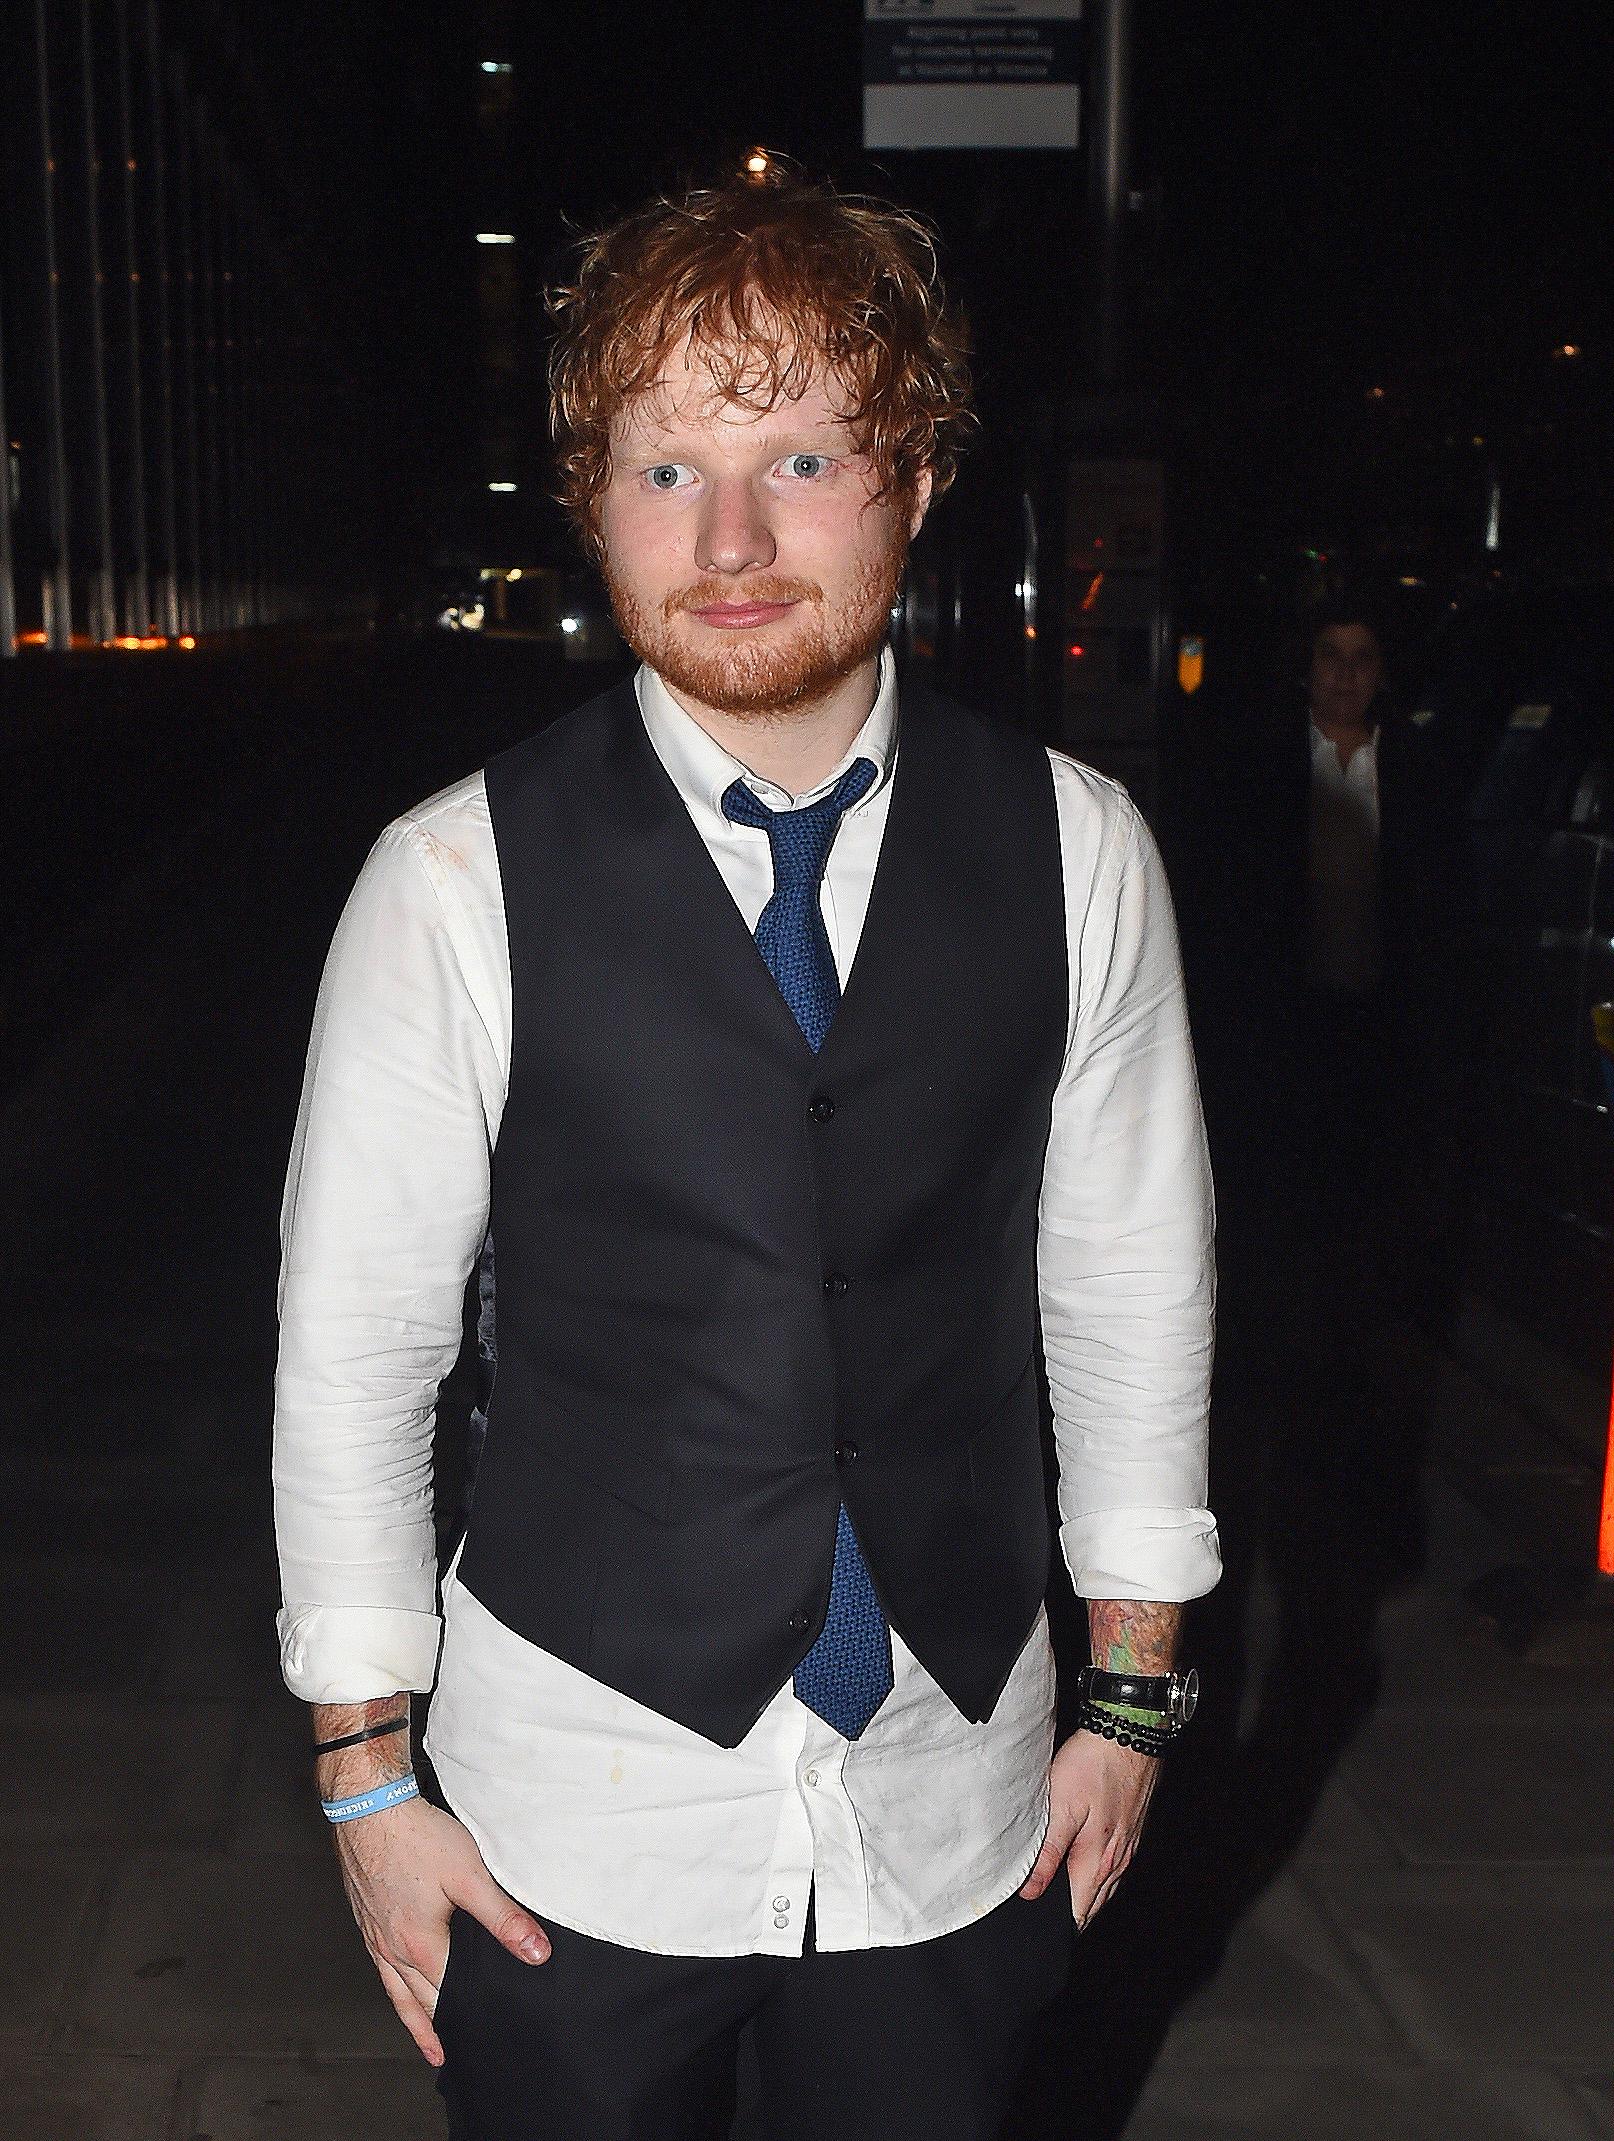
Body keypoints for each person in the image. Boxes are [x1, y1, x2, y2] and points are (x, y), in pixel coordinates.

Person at [272, 161, 1218, 2141]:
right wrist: (369, 1778)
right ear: (590, 502)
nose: (730, 538)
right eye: (661, 467)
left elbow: (1129, 1288)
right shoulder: (452, 882)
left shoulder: (1078, 855)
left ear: (919, 473)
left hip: (959, 1800)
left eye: (799, 453)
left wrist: (1132, 1696)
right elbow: (361, 1355)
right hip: (567, 1820)